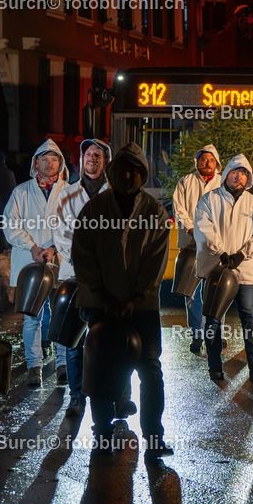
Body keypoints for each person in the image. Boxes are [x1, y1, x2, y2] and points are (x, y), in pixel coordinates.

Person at [73, 143, 172, 460]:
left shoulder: (155, 211)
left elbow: (157, 259)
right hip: (101, 304)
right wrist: (102, 293)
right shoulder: (94, 209)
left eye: (135, 170)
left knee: (150, 370)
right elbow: (82, 255)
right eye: (122, 169)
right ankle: (102, 433)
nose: (128, 175)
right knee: (101, 369)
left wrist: (137, 296)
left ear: (142, 175)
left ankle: (153, 438)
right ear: (112, 172)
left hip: (141, 307)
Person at [53, 139, 114, 417]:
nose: (93, 159)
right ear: (81, 159)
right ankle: (76, 396)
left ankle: (103, 394)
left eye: (98, 155)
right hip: (75, 277)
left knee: (103, 340)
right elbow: (61, 233)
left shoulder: (114, 195)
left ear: (105, 160)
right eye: (89, 154)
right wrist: (81, 259)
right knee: (73, 340)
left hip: (105, 281)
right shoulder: (67, 196)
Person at [194, 154, 253, 384]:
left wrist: (242, 255)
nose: (239, 177)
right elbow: (203, 228)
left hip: (244, 270)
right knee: (213, 319)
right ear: (226, 174)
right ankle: (215, 366)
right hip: (216, 270)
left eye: (244, 173)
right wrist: (221, 252)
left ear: (249, 178)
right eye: (235, 172)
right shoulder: (209, 200)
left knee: (249, 318)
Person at [3, 139, 69, 387]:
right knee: (32, 317)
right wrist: (32, 246)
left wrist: (54, 248)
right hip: (30, 260)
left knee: (61, 315)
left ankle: (63, 363)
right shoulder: (21, 192)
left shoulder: (70, 192)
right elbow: (10, 223)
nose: (49, 164)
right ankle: (35, 366)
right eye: (45, 159)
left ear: (60, 163)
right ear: (36, 163)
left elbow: (74, 226)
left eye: (54, 159)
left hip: (60, 261)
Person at [172, 144, 222, 354]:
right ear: (197, 161)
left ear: (216, 162)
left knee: (217, 290)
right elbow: (179, 207)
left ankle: (216, 333)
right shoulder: (186, 182)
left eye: (211, 159)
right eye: (203, 159)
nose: (207, 163)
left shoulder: (222, 181)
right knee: (192, 293)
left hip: (217, 246)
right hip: (191, 244)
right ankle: (196, 334)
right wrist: (191, 228)